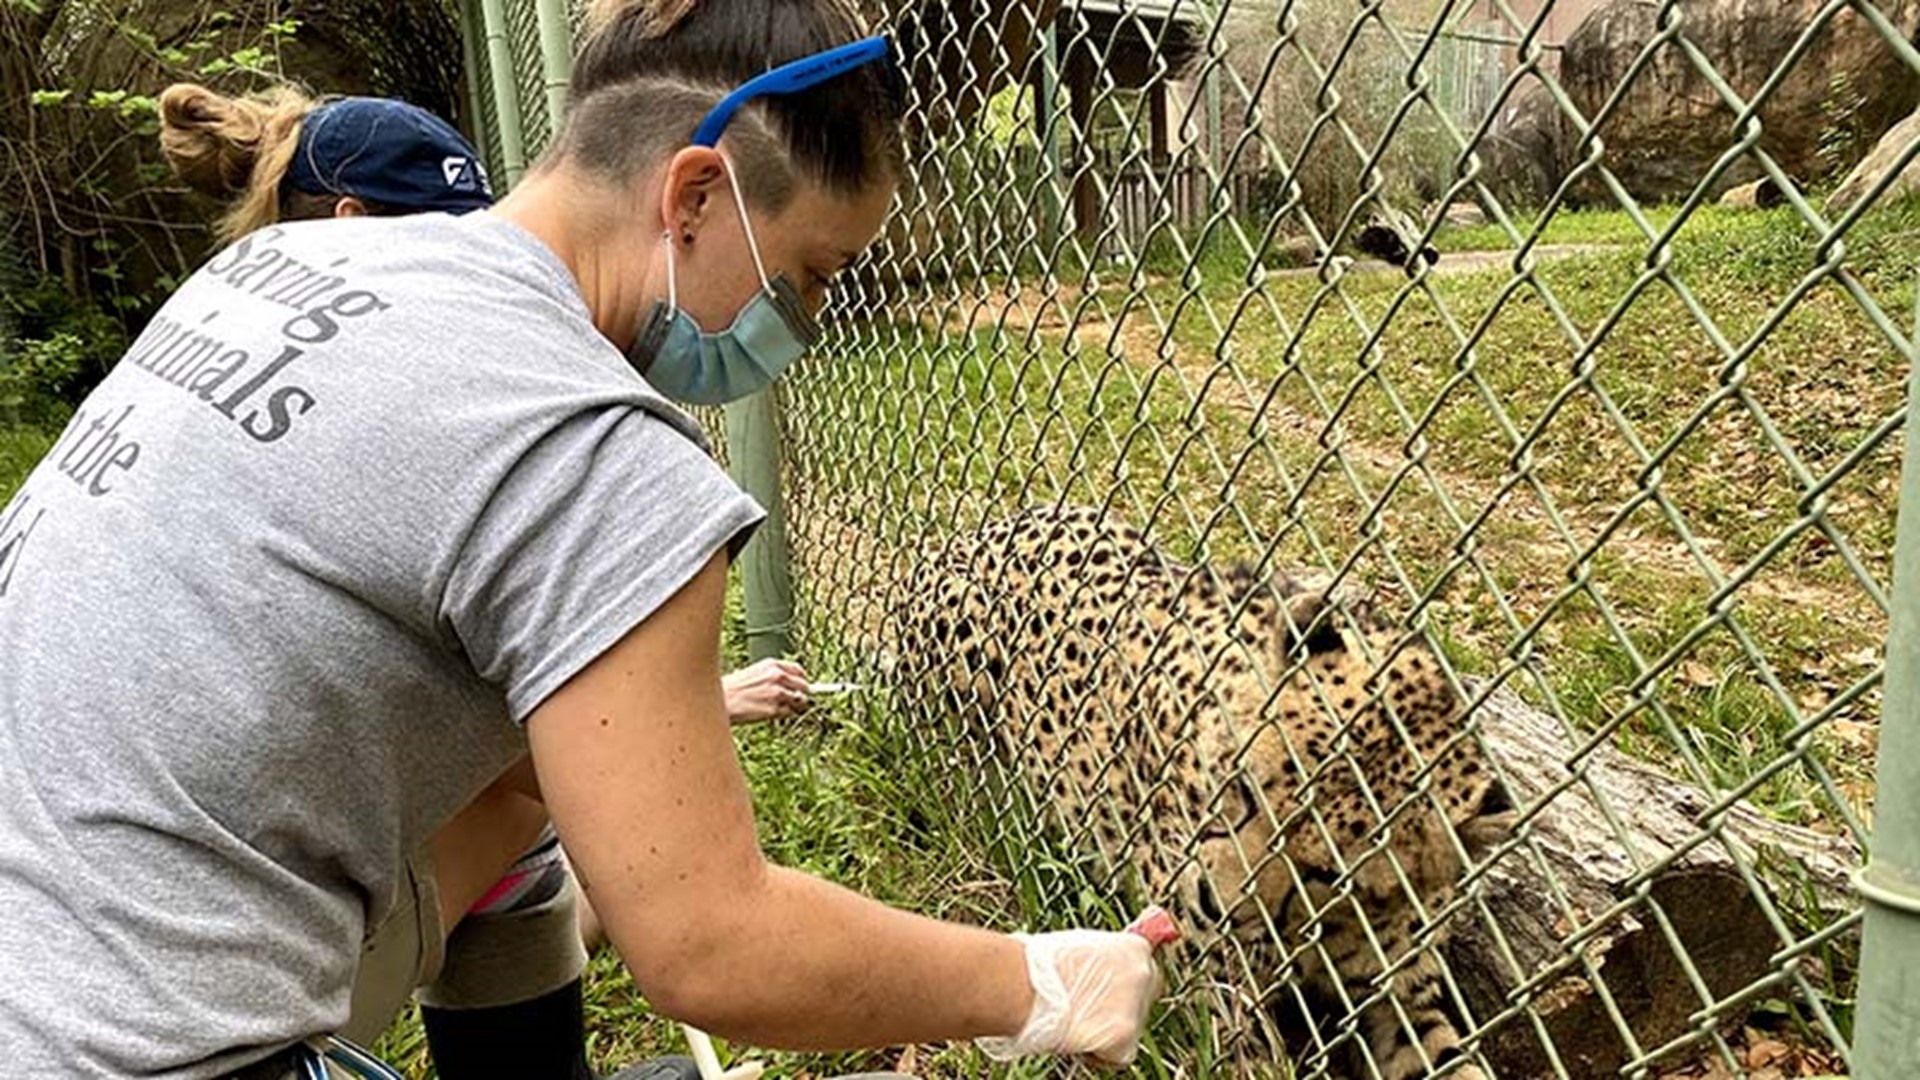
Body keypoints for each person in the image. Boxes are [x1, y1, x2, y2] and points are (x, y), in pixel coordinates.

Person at [0, 2, 1166, 1079]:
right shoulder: (596, 449)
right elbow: (712, 946)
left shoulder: (284, 264)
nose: (801, 325)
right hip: (134, 1045)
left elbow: (518, 764)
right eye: (812, 275)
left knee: (521, 813)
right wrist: (1040, 980)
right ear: (695, 197)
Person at [158, 80, 820, 1079]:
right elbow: (699, 930)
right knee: (519, 811)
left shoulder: (233, 329)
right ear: (354, 228)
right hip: (169, 1013)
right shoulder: (433, 399)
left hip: (121, 914)